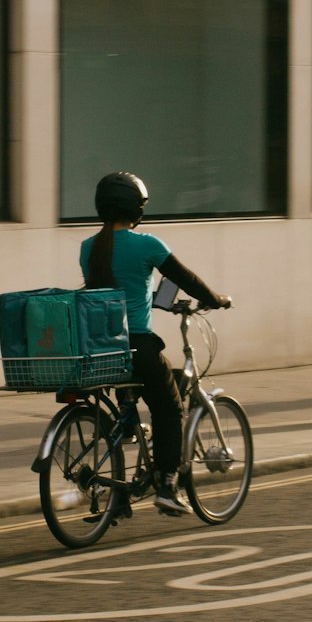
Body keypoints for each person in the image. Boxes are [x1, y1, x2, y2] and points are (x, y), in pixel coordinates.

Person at [80, 172, 230, 517]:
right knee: (170, 408)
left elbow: (110, 289)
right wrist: (217, 299)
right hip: (138, 348)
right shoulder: (148, 245)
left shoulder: (89, 248)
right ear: (137, 208)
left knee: (134, 404)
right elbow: (188, 281)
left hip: (103, 350)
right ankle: (165, 484)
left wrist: (146, 295)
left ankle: (120, 495)